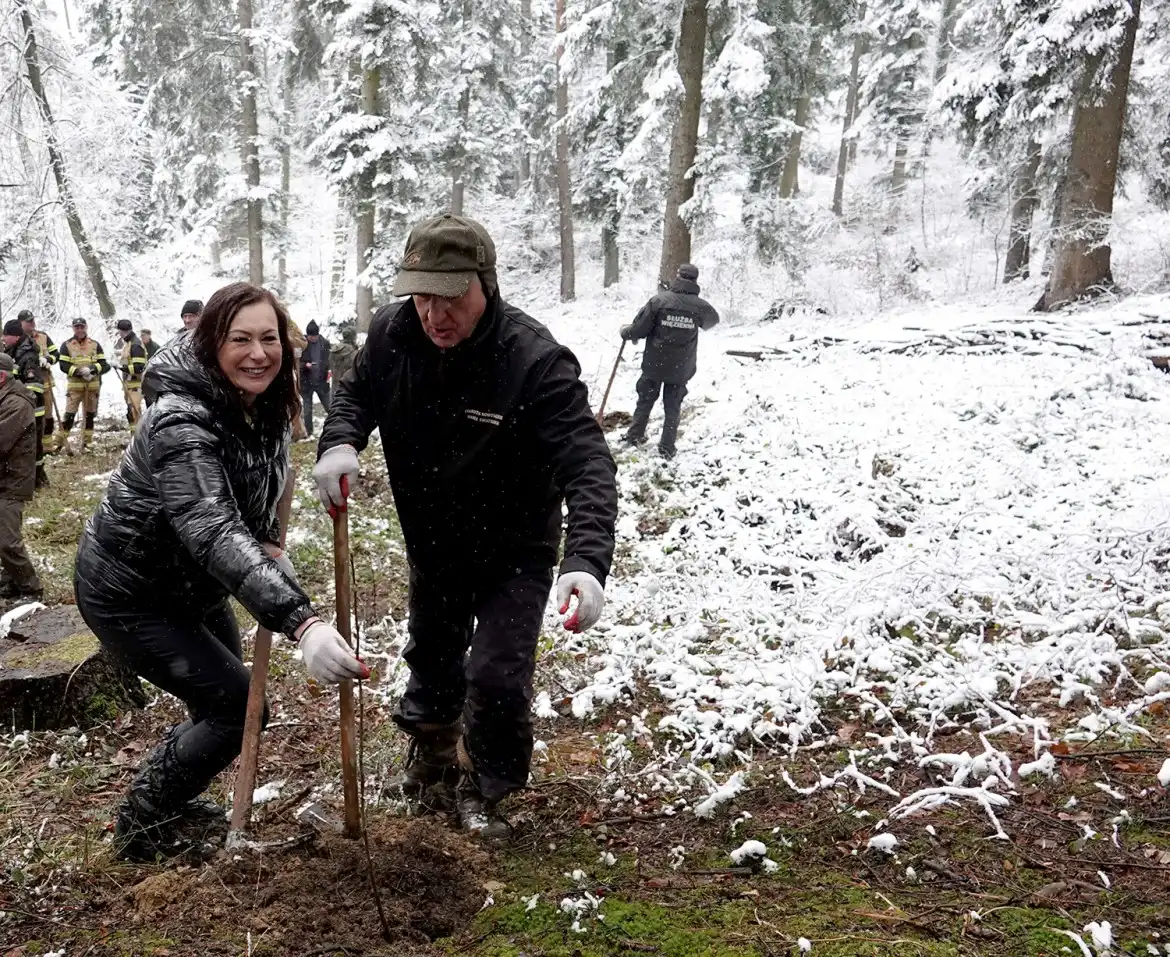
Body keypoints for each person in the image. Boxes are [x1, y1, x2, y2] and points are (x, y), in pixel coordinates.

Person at [314, 213, 619, 841]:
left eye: (450, 296)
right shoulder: (393, 336)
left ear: (485, 282)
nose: (433, 314)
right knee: (431, 656)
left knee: (497, 675)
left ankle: (488, 785)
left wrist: (586, 561)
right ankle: (430, 761)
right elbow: (356, 391)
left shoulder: (534, 360)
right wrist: (340, 439)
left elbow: (588, 463)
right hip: (433, 540)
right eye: (420, 295)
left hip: (516, 550)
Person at [74, 282, 366, 862]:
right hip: (133, 591)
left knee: (230, 705)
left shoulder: (263, 400)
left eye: (269, 338)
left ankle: (172, 805)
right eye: (240, 340)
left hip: (196, 582)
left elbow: (265, 478)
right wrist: (302, 623)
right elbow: (209, 527)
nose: (258, 353)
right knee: (236, 708)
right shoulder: (179, 420)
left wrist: (269, 538)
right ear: (211, 343)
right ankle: (141, 825)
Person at [620, 263, 720, 459]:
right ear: (695, 281)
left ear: (677, 276)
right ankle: (667, 447)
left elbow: (639, 329)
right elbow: (712, 322)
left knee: (645, 401)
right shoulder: (701, 307)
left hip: (654, 364)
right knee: (672, 407)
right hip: (680, 368)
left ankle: (635, 436)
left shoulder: (659, 301)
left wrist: (626, 332)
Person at [0, 353, 43, 603]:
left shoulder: (16, 403)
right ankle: (12, 581)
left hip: (12, 480)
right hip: (4, 477)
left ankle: (30, 588)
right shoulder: (4, 397)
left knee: (7, 540)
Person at [3, 319, 48, 488]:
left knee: (33, 445)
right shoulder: (14, 350)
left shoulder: (27, 354)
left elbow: (33, 386)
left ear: (15, 336)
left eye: (6, 335)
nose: (4, 338)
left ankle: (38, 479)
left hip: (32, 407)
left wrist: (21, 403)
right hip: (20, 406)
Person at [58, 318, 109, 451]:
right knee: (69, 415)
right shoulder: (67, 345)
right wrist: (79, 372)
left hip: (92, 388)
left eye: (82, 327)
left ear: (86, 327)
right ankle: (59, 442)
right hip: (74, 389)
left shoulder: (95, 345)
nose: (80, 330)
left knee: (89, 415)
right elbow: (63, 365)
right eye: (77, 327)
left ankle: (87, 443)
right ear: (73, 329)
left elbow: (105, 365)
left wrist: (92, 369)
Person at [19, 310, 59, 455]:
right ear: (21, 323)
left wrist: (48, 360)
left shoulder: (43, 336)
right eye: (28, 322)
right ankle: (32, 445)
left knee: (47, 415)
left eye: (32, 320)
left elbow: (56, 354)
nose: (32, 324)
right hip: (26, 386)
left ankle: (47, 445)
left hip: (45, 383)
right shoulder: (18, 339)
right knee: (30, 416)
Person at [299, 320, 331, 437]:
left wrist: (329, 371)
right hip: (306, 383)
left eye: (315, 336)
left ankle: (336, 427)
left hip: (321, 381)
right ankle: (309, 432)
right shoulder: (301, 344)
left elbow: (329, 360)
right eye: (310, 336)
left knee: (329, 406)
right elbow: (296, 362)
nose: (313, 339)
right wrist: (304, 365)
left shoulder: (325, 343)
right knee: (307, 410)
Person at [114, 319, 148, 428]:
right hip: (128, 384)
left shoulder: (135, 344)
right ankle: (135, 436)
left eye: (119, 331)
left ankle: (137, 438)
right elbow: (127, 362)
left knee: (132, 412)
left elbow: (139, 367)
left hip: (136, 384)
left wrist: (121, 368)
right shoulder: (128, 344)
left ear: (122, 331)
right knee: (132, 413)